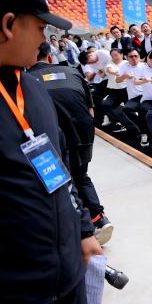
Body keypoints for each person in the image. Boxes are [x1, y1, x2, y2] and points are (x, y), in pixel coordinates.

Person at [0, 0, 102, 304]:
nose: (45, 38)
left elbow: (59, 166)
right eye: (40, 27)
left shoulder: (33, 88)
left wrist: (83, 230)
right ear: (8, 25)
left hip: (66, 284)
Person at [29, 41, 114, 246]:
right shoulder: (72, 71)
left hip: (53, 137)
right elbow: (90, 111)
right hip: (84, 131)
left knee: (62, 183)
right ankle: (100, 219)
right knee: (81, 175)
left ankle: (80, 230)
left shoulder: (26, 80)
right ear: (50, 56)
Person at [79, 47, 110, 126]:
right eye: (88, 63)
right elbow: (102, 75)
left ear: (91, 55)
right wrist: (104, 70)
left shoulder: (103, 53)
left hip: (114, 76)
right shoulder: (91, 64)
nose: (90, 64)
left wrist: (104, 70)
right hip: (103, 80)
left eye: (90, 62)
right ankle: (105, 116)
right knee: (95, 97)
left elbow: (112, 67)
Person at [101, 48, 129, 133]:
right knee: (105, 105)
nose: (114, 57)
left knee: (130, 109)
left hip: (127, 90)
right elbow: (109, 69)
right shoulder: (110, 63)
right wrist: (115, 72)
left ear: (121, 55)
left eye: (116, 55)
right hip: (115, 91)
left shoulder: (127, 63)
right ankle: (118, 123)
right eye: (112, 56)